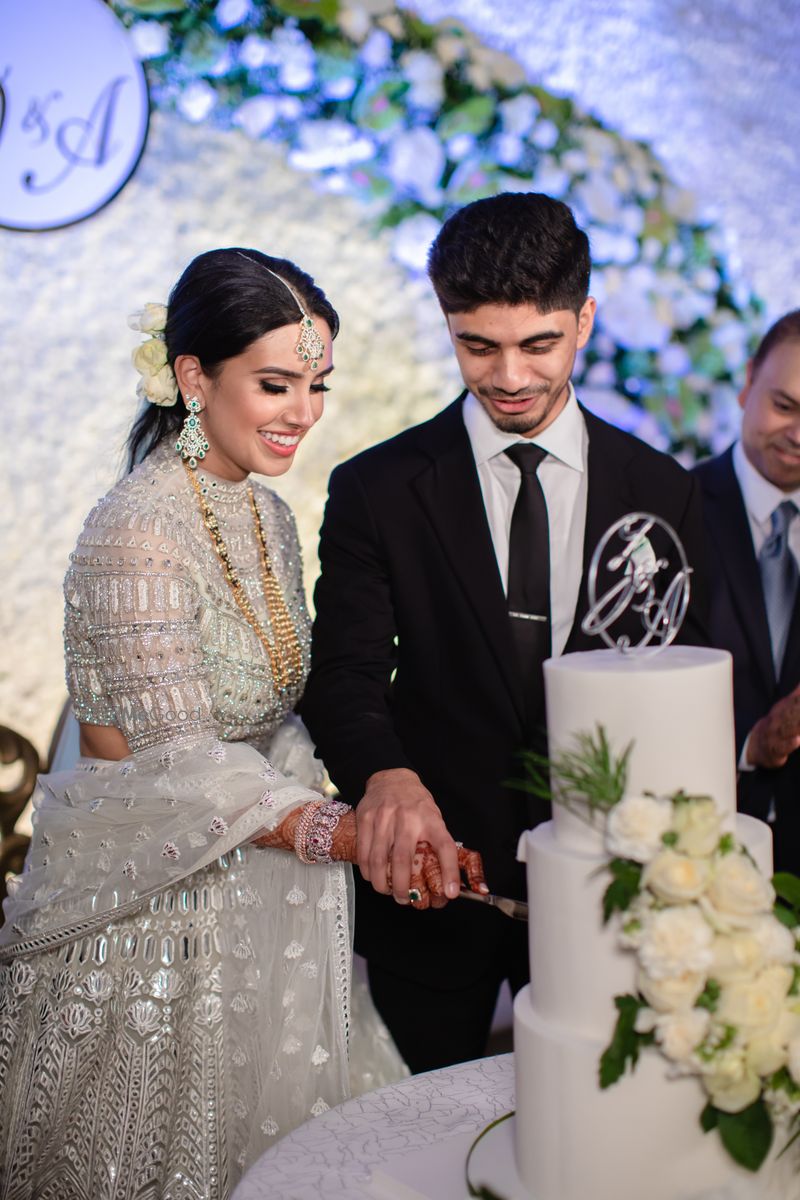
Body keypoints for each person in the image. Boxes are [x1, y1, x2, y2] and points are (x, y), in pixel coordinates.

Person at [0, 248, 485, 1200]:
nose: (303, 411)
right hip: (150, 931)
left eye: (316, 384)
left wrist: (385, 821)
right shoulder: (133, 530)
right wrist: (347, 832)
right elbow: (179, 764)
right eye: (275, 383)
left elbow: (281, 712)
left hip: (262, 904)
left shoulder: (266, 512)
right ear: (193, 377)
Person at [302, 192, 710, 1074]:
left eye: (539, 344)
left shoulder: (665, 491)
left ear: (585, 318)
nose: (510, 377)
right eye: (476, 345)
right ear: (447, 324)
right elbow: (343, 675)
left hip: (605, 887)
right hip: (431, 885)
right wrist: (387, 777)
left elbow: (680, 685)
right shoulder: (378, 488)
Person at [694, 310, 800, 874]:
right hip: (700, 849)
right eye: (785, 406)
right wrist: (748, 745)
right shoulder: (672, 510)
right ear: (748, 381)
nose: (799, 435)